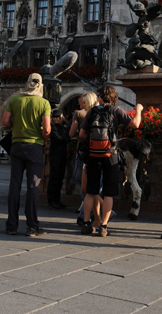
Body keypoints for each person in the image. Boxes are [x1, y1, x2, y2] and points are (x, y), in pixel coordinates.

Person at [79, 85, 143, 237]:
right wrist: (138, 110)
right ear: (114, 97)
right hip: (111, 156)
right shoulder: (117, 111)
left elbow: (81, 134)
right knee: (108, 194)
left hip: (93, 156)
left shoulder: (92, 112)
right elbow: (135, 124)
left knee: (90, 192)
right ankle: (103, 226)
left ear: (100, 98)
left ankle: (87, 223)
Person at [1, 73, 51, 237]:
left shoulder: (15, 99)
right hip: (34, 147)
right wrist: (42, 136)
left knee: (14, 185)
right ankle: (32, 227)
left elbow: (5, 121)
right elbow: (47, 129)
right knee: (33, 187)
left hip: (16, 146)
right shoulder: (44, 103)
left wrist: (17, 126)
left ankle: (11, 226)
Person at [69, 92, 99, 225]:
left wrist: (76, 135)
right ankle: (87, 213)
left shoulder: (80, 114)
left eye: (82, 102)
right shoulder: (99, 112)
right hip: (98, 151)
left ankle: (89, 210)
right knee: (96, 182)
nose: (80, 105)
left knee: (79, 180)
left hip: (83, 151)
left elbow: (72, 133)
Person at [47, 108, 70, 210]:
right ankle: (51, 200)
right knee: (54, 177)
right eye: (54, 117)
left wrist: (65, 138)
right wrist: (66, 138)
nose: (55, 119)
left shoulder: (64, 127)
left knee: (60, 178)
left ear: (61, 117)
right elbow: (57, 137)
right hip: (55, 154)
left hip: (62, 154)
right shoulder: (52, 126)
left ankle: (57, 199)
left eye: (57, 117)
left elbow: (65, 136)